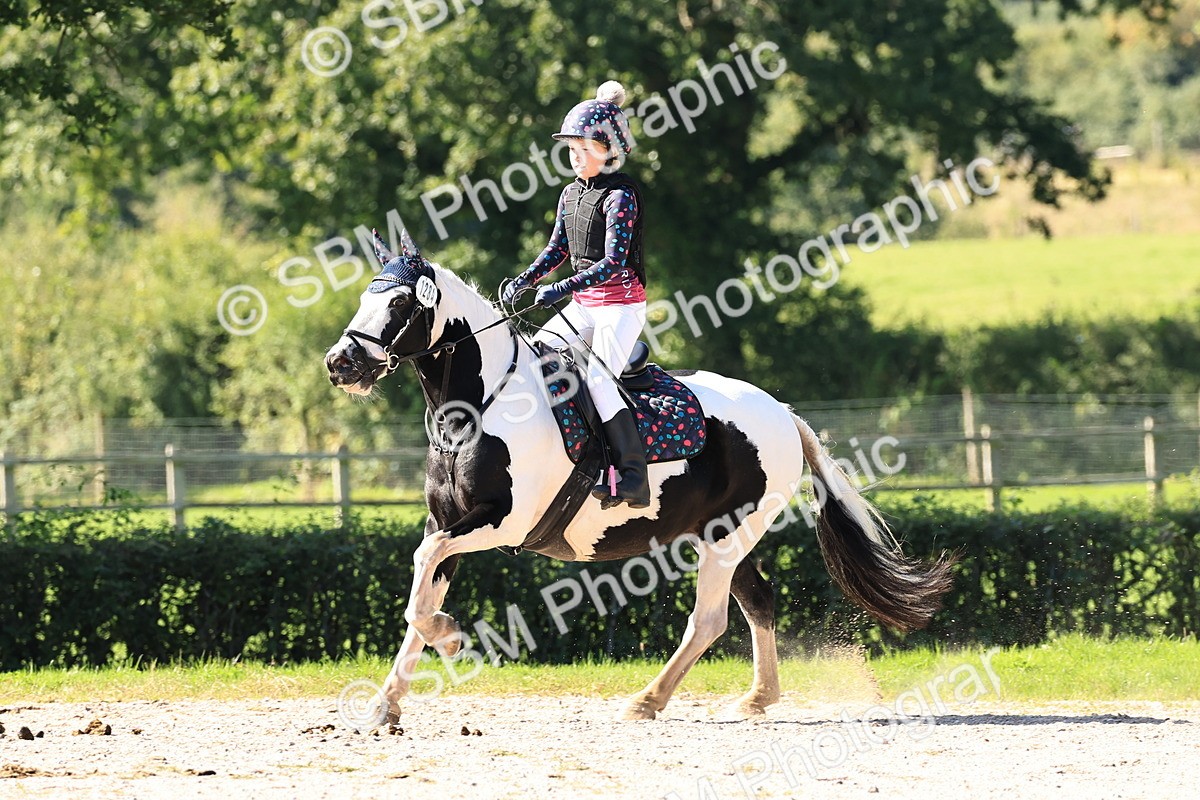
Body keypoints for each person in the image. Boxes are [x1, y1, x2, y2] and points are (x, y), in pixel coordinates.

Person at [502, 81, 650, 510]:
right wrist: (526, 279)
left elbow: (612, 263)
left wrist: (558, 289)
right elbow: (558, 250)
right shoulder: (570, 193)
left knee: (601, 382)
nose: (576, 158)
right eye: (571, 151)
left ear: (610, 150)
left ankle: (634, 477)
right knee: (535, 360)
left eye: (584, 149)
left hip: (619, 308)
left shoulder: (621, 196)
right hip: (584, 305)